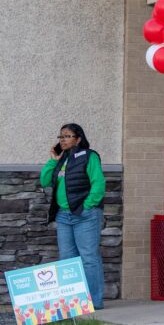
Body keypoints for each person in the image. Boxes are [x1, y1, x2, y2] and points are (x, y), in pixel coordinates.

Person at [40, 123, 106, 309]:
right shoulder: (61, 159)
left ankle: (94, 301)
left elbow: (99, 183)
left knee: (88, 258)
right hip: (63, 216)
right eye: (61, 136)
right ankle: (73, 303)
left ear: (78, 139)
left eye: (67, 136)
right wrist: (53, 160)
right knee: (67, 260)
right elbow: (44, 180)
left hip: (85, 215)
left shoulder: (89, 156)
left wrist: (87, 206)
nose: (63, 140)